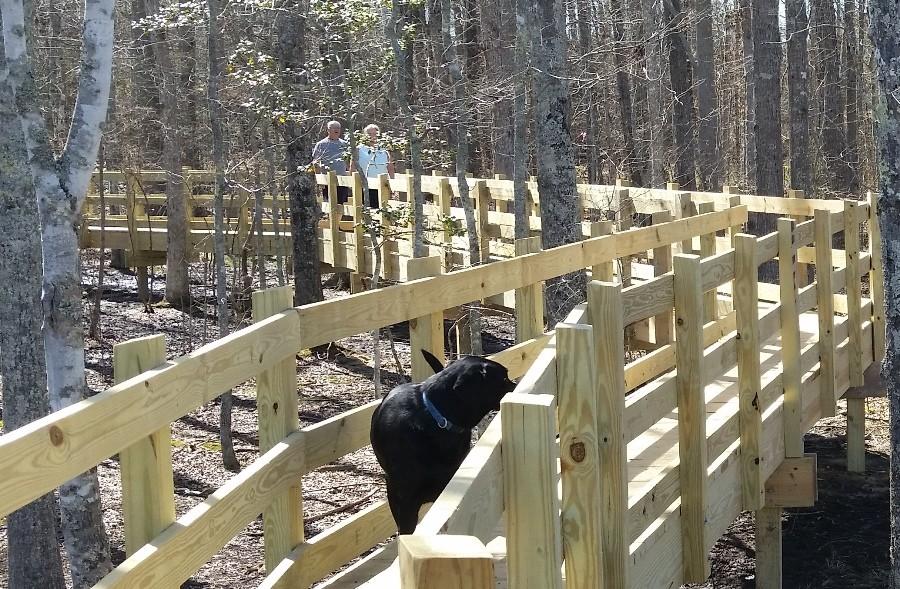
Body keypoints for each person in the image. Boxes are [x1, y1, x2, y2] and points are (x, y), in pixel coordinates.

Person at [351, 124, 395, 208]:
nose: (372, 136)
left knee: (383, 210)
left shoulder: (384, 149)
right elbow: (353, 167)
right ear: (365, 135)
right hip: (364, 185)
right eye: (369, 134)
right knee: (368, 210)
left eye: (375, 134)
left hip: (383, 185)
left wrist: (392, 183)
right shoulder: (359, 149)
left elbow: (390, 167)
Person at [312, 120, 351, 203]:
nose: (336, 130)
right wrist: (319, 179)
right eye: (334, 128)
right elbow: (316, 163)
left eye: (338, 128)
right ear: (328, 130)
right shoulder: (321, 144)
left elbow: (349, 162)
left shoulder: (344, 144)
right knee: (330, 203)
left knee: (342, 204)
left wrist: (351, 176)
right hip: (327, 179)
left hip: (342, 179)